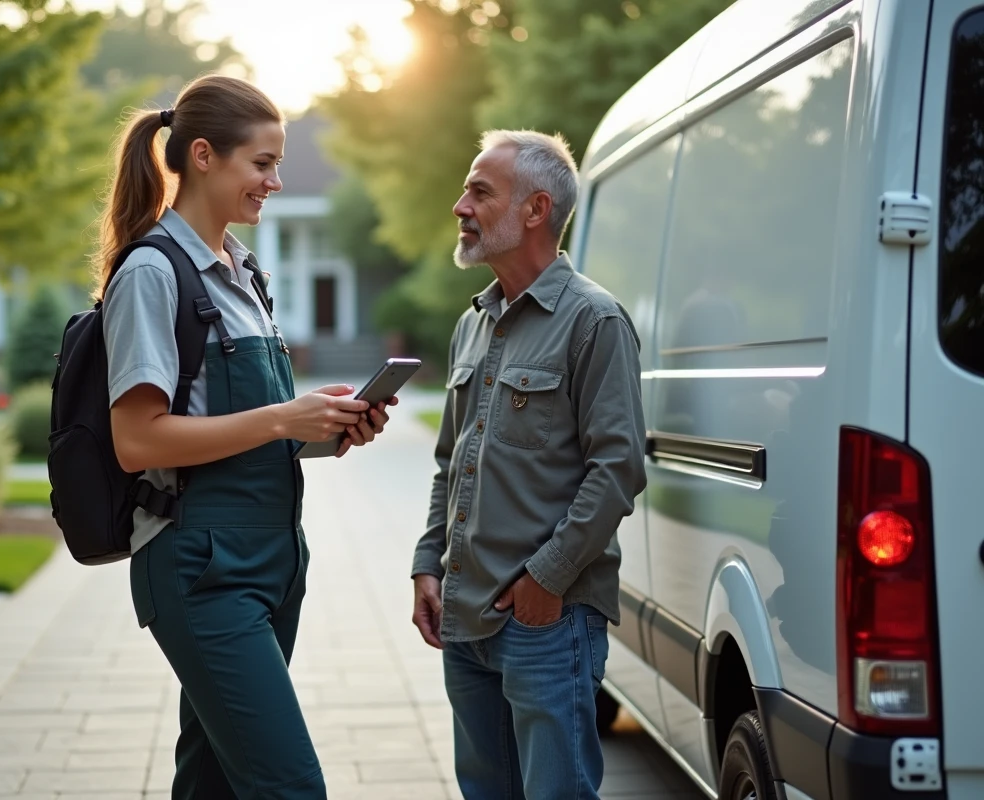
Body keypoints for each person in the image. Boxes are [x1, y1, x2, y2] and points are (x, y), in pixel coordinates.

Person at [98, 75, 394, 800]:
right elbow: (137, 440)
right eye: (261, 163)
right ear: (204, 155)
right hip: (202, 568)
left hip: (271, 560)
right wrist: (279, 419)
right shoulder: (151, 272)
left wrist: (320, 428)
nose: (276, 180)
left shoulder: (243, 273)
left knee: (215, 785)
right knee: (290, 786)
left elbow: (236, 427)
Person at [410, 130, 647, 799]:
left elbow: (618, 469)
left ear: (535, 210)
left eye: (480, 192)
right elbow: (448, 463)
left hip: (547, 621)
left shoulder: (594, 322)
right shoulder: (473, 323)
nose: (460, 206)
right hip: (465, 619)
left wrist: (546, 580)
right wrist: (429, 564)